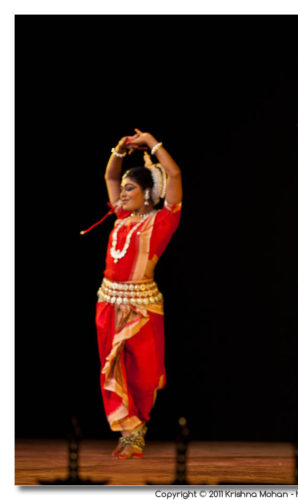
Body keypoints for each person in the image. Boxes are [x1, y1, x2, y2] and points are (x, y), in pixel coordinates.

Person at [92, 129, 182, 459]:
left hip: (143, 305)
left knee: (143, 374)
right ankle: (130, 435)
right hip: (108, 302)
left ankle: (138, 426)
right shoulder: (121, 217)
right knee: (113, 369)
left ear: (148, 193)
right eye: (124, 188)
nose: (123, 193)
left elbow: (173, 174)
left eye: (131, 188)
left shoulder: (162, 220)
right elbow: (110, 175)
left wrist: (153, 144)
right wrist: (118, 150)